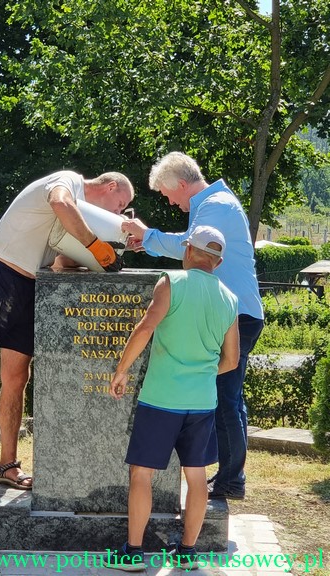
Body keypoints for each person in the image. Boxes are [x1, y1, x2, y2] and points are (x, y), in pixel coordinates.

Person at [0, 170, 134, 489]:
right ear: (110, 187)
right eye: (120, 205)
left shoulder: (81, 216)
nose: (117, 213)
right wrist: (95, 244)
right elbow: (60, 202)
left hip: (29, 285)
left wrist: (115, 248)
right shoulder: (68, 182)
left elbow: (63, 261)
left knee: (17, 377)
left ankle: (8, 465)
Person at [122, 152, 264, 500]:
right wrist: (148, 241)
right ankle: (229, 475)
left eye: (169, 195)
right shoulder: (215, 203)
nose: (171, 202)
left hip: (236, 314)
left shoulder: (216, 205)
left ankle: (231, 479)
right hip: (234, 312)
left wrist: (147, 235)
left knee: (226, 399)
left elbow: (191, 247)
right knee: (227, 397)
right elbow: (189, 245)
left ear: (183, 184)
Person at [103, 226, 239, 572]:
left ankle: (133, 553)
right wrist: (201, 374)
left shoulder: (172, 282)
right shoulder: (229, 298)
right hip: (202, 401)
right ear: (218, 262)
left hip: (162, 398)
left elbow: (146, 326)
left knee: (142, 474)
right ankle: (187, 552)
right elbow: (232, 360)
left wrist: (122, 370)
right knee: (196, 476)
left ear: (189, 250)